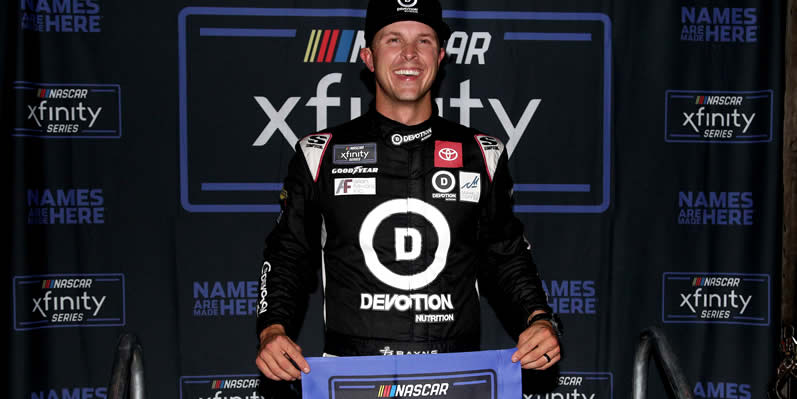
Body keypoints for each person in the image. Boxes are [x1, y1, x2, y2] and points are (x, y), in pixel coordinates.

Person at [255, 0, 562, 387]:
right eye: (393, 39)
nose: (409, 55)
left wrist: (539, 318)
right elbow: (288, 255)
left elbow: (506, 254)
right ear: (368, 56)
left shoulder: (483, 152)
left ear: (442, 55)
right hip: (354, 376)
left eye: (424, 41)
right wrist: (272, 329)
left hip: (458, 376)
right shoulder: (320, 152)